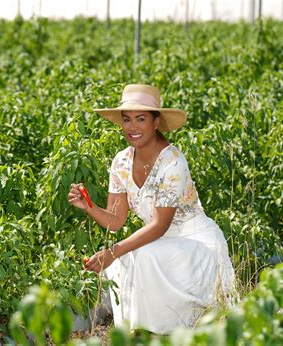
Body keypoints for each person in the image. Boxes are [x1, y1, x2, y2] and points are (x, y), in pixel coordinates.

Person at [68, 84, 234, 334]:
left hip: (194, 241)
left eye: (141, 119)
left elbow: (159, 225)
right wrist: (89, 206)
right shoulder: (121, 161)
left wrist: (113, 252)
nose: (132, 127)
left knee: (137, 256)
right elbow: (116, 220)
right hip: (159, 242)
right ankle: (137, 334)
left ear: (156, 122)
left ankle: (151, 332)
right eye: (126, 120)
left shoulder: (173, 162)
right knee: (131, 258)